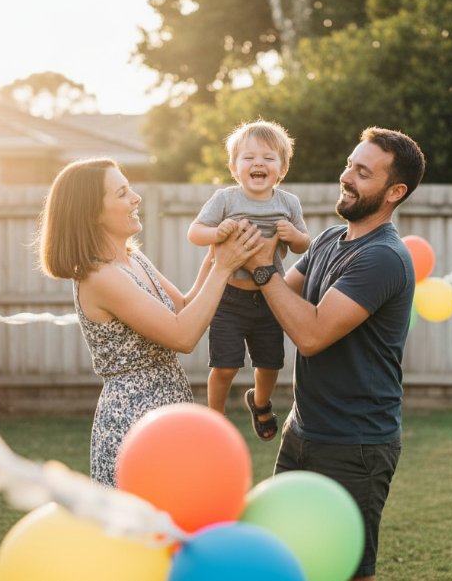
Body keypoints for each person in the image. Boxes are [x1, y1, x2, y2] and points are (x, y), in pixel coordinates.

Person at [244, 127, 426, 580]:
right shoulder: (327, 240)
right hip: (302, 431)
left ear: (394, 191)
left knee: (347, 569)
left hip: (357, 445)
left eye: (362, 173)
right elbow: (271, 303)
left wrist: (262, 265)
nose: (346, 176)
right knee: (282, 555)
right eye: (349, 164)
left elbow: (312, 333)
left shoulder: (383, 257)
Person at [36, 158, 260, 487]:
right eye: (122, 193)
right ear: (92, 213)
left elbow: (183, 306)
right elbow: (182, 335)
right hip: (134, 420)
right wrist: (224, 268)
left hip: (169, 408)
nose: (136, 198)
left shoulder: (133, 258)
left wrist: (216, 254)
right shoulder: (100, 277)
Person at [187, 120, 310, 441]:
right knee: (225, 366)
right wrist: (218, 232)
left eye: (269, 158)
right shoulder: (225, 200)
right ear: (234, 167)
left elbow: (302, 245)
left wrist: (293, 234)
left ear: (281, 169)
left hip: (270, 299)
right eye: (249, 157)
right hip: (229, 298)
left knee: (270, 364)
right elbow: (195, 233)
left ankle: (260, 402)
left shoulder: (288, 204)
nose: (258, 163)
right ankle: (215, 417)